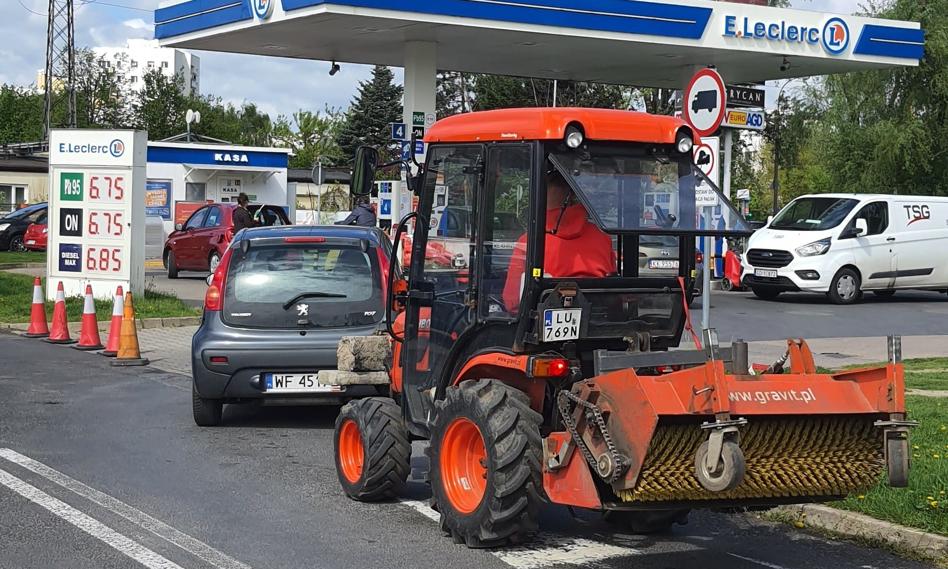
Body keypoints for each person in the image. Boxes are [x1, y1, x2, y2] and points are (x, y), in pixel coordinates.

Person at [502, 170, 615, 312]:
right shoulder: (602, 237)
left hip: (541, 326)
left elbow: (512, 301)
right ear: (575, 197)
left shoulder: (528, 242)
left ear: (540, 200)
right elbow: (611, 285)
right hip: (596, 322)